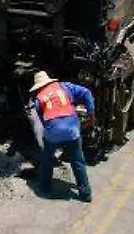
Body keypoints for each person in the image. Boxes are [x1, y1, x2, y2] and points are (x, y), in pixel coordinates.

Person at [30, 71, 95, 203]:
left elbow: (42, 120)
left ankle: (46, 187)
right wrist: (90, 113)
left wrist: (50, 133)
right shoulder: (65, 86)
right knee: (77, 161)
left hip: (53, 133)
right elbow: (86, 93)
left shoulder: (39, 98)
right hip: (72, 130)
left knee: (47, 159)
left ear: (38, 86)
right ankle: (85, 193)